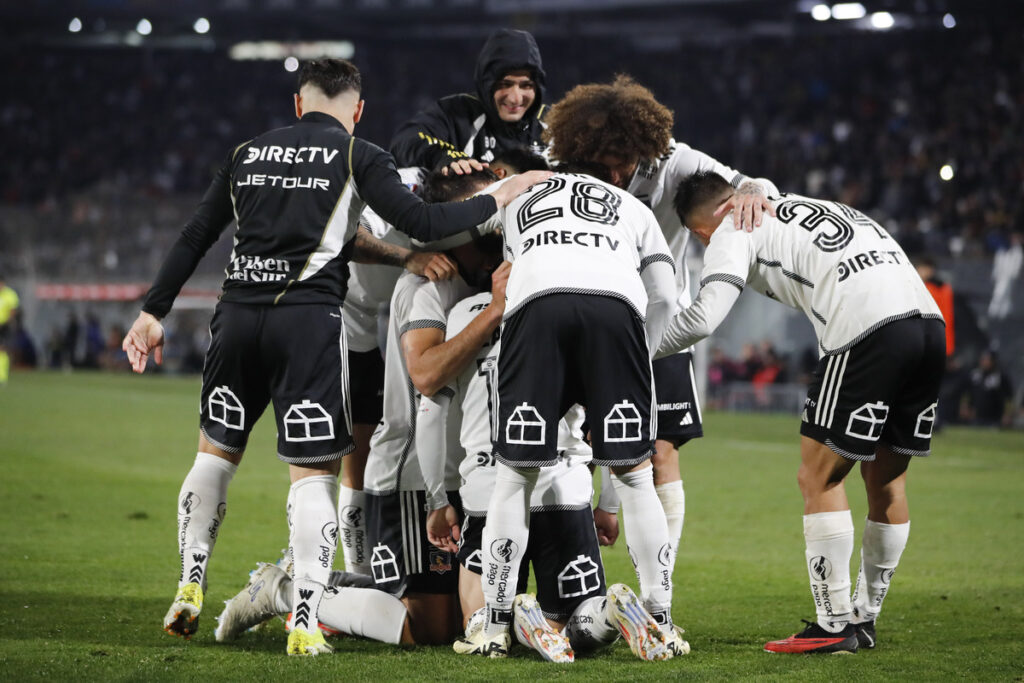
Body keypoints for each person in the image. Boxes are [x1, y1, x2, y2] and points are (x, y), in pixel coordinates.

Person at [120, 58, 546, 656]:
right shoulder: (357, 156)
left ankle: (190, 580)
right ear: (358, 111)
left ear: (299, 104)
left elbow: (197, 233)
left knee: (215, 458)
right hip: (309, 325)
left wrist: (152, 312)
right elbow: (422, 220)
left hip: (237, 316)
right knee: (313, 479)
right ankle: (301, 612)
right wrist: (500, 194)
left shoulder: (249, 152)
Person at [658, 171, 945, 654]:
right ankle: (864, 616)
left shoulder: (732, 227)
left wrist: (636, 350)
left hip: (867, 330)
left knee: (818, 479)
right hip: (928, 326)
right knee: (887, 480)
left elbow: (705, 317)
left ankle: (833, 627)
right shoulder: (795, 202)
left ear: (701, 228)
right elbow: (761, 183)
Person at [541, 74, 778, 614]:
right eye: (607, 161)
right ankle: (574, 580)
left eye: (626, 159)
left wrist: (751, 190)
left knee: (660, 452)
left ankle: (656, 600)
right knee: (566, 444)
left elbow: (757, 185)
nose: (618, 172)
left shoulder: (677, 161)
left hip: (658, 328)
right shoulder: (565, 165)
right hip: (585, 315)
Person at [455, 165, 681, 659]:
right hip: (616, 312)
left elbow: (448, 218)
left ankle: (494, 625)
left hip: (537, 310)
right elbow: (666, 294)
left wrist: (421, 253)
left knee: (515, 479)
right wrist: (639, 356)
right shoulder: (634, 206)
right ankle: (659, 618)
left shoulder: (519, 189)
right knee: (637, 478)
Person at [418, 290, 674, 663]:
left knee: (482, 623)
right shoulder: (567, 302)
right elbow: (609, 409)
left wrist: (438, 499)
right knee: (578, 626)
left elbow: (429, 414)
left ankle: (516, 620)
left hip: (491, 490)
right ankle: (611, 614)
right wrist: (608, 503)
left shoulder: (462, 313)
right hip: (564, 485)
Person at [390, 29, 547, 170]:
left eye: (526, 86)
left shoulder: (555, 123)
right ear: (487, 83)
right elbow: (404, 142)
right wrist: (444, 157)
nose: (515, 98)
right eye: (505, 85)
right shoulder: (458, 112)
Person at [964, 350, 1013, 427]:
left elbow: (1008, 398)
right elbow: (968, 393)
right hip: (977, 417)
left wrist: (1007, 414)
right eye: (983, 359)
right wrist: (967, 407)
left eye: (987, 359)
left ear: (993, 361)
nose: (984, 362)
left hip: (995, 417)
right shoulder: (975, 375)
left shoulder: (1001, 377)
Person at [0, 275, 19, 385]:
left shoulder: (10, 294)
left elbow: (13, 311)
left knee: (2, 349)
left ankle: (2, 376)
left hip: (4, 326)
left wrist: (7, 322)